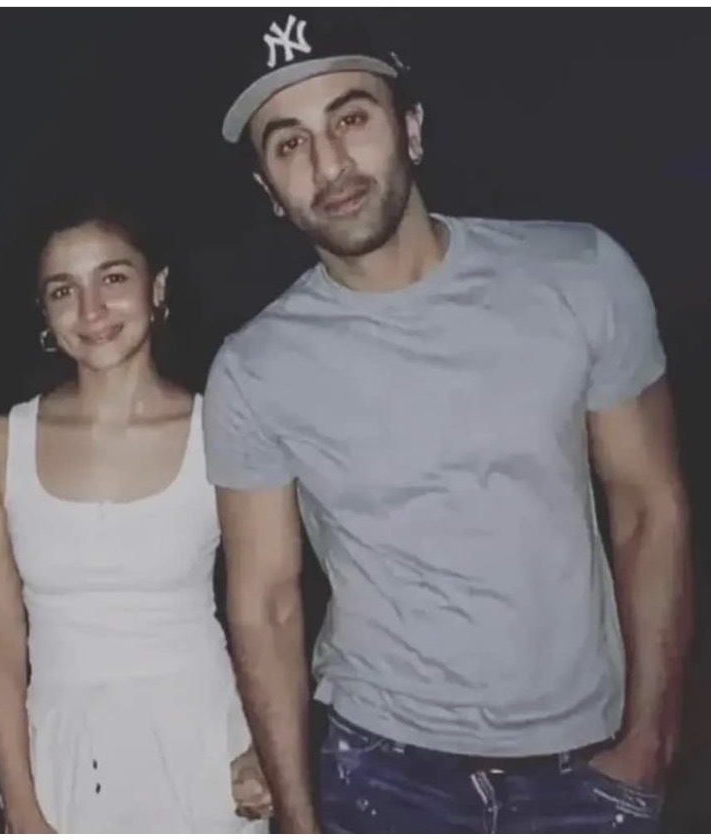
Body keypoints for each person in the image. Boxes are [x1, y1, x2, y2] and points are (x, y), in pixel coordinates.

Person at [202, 10, 693, 834]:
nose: (328, 164)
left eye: (350, 118)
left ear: (412, 128)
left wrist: (652, 737)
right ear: (268, 193)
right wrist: (298, 815)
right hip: (379, 774)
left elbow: (651, 507)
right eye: (289, 144)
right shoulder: (253, 368)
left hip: (587, 767)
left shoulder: (581, 273)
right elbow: (266, 603)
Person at [0, 188, 271, 833]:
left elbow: (270, 607)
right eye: (63, 290)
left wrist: (266, 747)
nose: (92, 309)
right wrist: (19, 798)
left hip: (205, 745)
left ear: (158, 289)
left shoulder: (220, 429)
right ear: (45, 312)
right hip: (63, 755)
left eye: (114, 278)